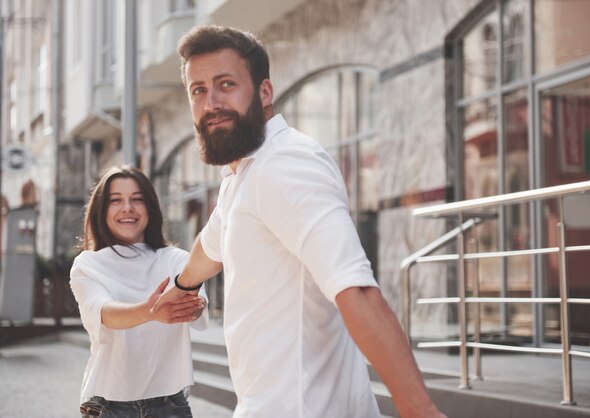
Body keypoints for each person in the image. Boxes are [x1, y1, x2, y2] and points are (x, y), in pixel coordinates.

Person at [153, 25, 445, 418]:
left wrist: (418, 409)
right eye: (198, 90)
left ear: (264, 92)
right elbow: (211, 243)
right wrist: (182, 285)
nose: (211, 102)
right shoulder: (242, 175)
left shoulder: (286, 164)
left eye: (226, 84)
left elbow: (355, 289)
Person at [70, 165, 209, 418]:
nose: (127, 208)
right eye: (116, 200)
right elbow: (104, 312)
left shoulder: (177, 259)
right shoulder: (87, 264)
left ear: (151, 208)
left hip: (170, 405)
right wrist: (150, 311)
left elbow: (195, 306)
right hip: (108, 405)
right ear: (101, 210)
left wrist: (192, 306)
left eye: (137, 199)